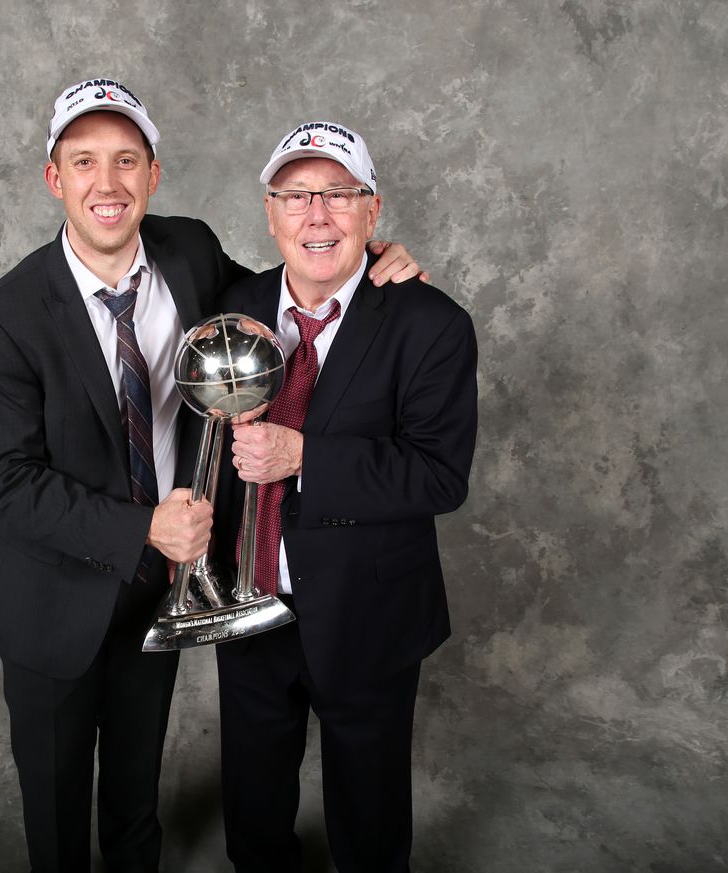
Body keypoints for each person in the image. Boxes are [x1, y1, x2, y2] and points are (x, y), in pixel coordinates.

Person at [0, 79, 428, 873]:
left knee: (135, 797)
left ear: (153, 174)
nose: (106, 185)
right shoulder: (2, 318)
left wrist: (369, 258)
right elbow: (2, 479)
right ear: (55, 179)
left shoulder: (190, 253)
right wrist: (141, 525)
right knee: (59, 803)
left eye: (125, 162)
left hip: (161, 592)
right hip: (53, 605)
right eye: (84, 163)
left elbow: (287, 290)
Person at [212, 122, 479, 873]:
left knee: (368, 812)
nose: (316, 215)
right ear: (270, 213)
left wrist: (304, 456)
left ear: (372, 211)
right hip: (251, 602)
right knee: (255, 804)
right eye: (296, 196)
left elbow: (438, 475)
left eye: (338, 194)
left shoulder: (432, 325)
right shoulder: (233, 303)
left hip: (371, 614)